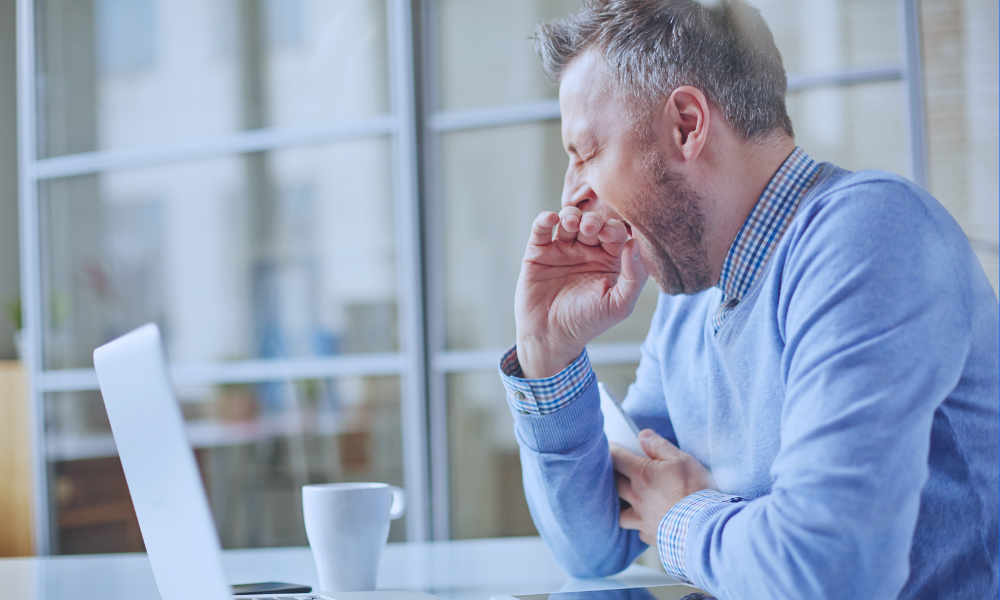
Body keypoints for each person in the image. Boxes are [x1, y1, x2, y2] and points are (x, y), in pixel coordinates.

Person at [496, 1, 1000, 598]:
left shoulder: (869, 234)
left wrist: (681, 518)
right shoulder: (690, 301)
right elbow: (598, 542)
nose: (570, 196)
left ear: (686, 124)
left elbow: (828, 572)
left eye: (586, 153)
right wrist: (547, 353)